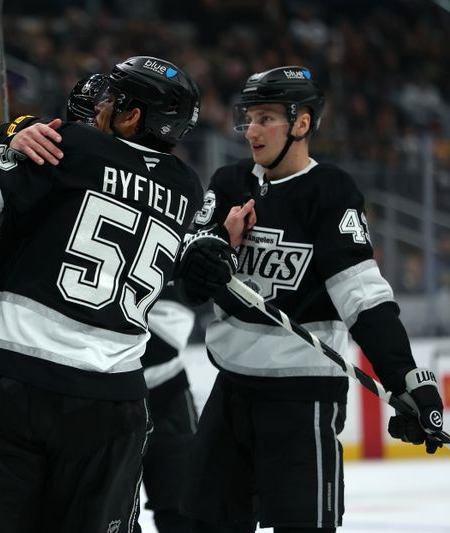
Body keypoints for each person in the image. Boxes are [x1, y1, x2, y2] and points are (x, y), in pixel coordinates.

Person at [0, 55, 243, 532]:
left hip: (20, 387)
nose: (100, 106)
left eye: (112, 99)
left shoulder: (72, 147)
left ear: (133, 116)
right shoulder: (186, 187)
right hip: (114, 403)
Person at [179, 66, 446, 533]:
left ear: (301, 123)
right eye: (249, 118)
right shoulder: (228, 183)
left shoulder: (331, 192)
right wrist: (215, 247)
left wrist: (407, 378)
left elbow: (363, 298)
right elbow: (189, 286)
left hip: (302, 399)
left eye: (266, 118)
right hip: (232, 391)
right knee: (203, 523)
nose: (252, 131)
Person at [67, 72, 201, 533]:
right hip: (99, 394)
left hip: (156, 391)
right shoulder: (75, 179)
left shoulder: (170, 194)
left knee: (182, 508)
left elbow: (174, 323)